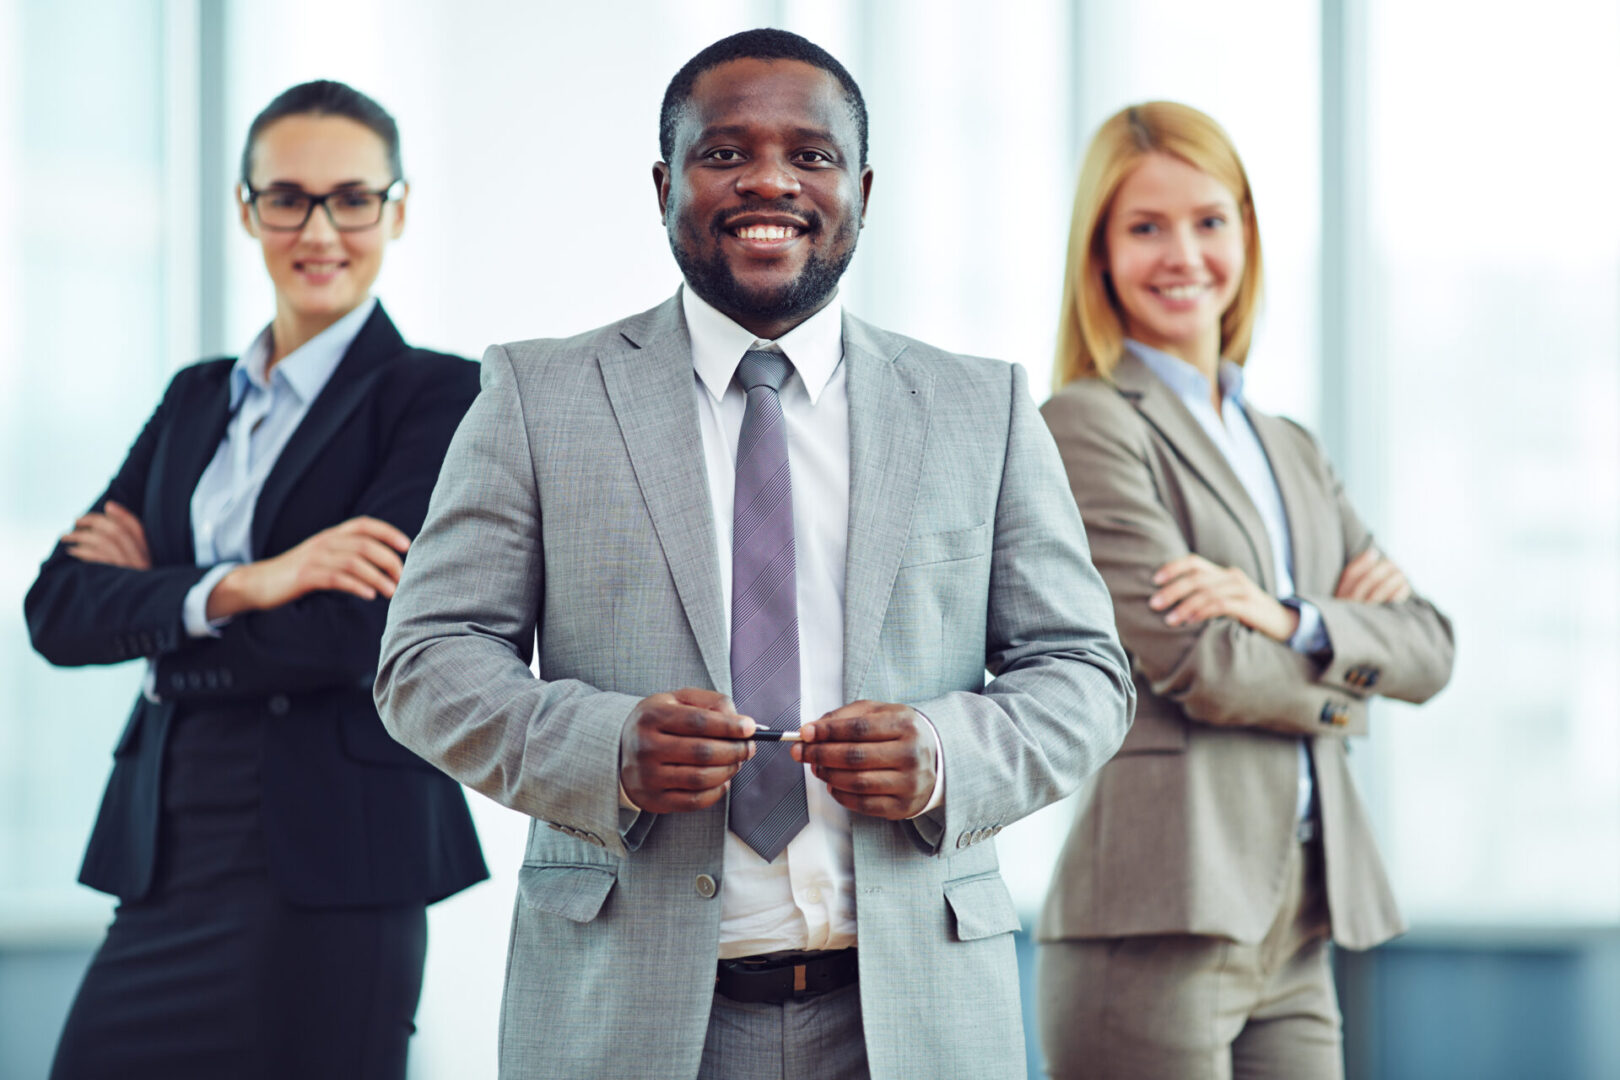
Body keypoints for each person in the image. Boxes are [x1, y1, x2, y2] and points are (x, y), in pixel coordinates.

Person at [374, 28, 1133, 1080]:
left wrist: (948, 756)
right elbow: (425, 662)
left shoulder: (981, 407)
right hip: (627, 1018)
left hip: (912, 1018)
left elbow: (1089, 676)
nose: (768, 179)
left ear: (863, 188)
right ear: (664, 183)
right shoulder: (538, 396)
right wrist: (606, 748)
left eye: (810, 155)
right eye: (724, 153)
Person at [25, 80, 488, 1080]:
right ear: (247, 208)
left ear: (395, 211)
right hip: (168, 843)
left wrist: (161, 606)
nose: (319, 228)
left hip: (332, 858)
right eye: (287, 196)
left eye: (351, 197)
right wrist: (248, 582)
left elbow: (355, 633)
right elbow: (57, 610)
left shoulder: (439, 395)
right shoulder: (196, 397)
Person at [1035, 101, 1456, 1079]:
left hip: (1299, 917)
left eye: (1209, 221)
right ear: (1099, 255)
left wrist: (1287, 615)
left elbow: (1430, 646)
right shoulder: (1089, 425)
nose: (1183, 253)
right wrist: (1351, 669)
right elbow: (1203, 664)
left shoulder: (1288, 445)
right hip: (1156, 920)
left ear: (1247, 236)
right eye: (1146, 227)